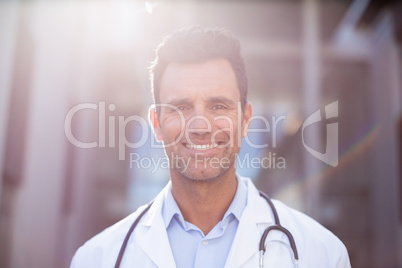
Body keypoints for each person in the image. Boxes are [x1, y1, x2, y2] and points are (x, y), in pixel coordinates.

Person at [71, 26, 351, 268]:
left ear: (245, 121)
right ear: (156, 123)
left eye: (218, 106)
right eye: (180, 107)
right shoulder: (97, 259)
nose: (200, 126)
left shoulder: (321, 254)